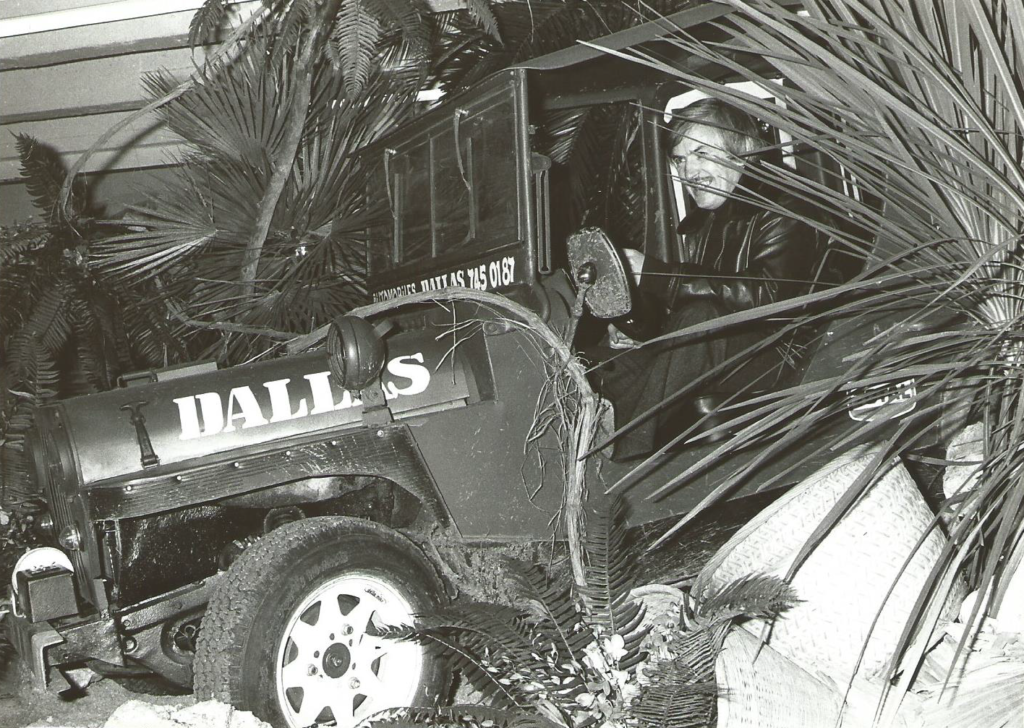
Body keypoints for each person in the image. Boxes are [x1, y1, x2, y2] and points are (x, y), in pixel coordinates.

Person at [593, 98, 831, 461]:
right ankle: (591, 445)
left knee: (703, 317)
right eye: (681, 159)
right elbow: (686, 304)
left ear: (743, 151)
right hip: (727, 348)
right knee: (607, 356)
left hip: (787, 353)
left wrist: (659, 274)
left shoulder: (786, 206)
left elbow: (771, 297)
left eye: (702, 153)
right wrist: (635, 329)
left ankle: (626, 459)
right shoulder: (706, 222)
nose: (691, 171)